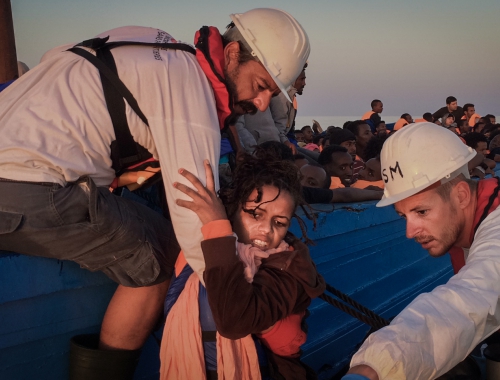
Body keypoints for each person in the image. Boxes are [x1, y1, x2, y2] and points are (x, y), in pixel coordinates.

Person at [0, 8, 310, 378]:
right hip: (27, 186)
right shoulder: (190, 93)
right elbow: (194, 221)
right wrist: (249, 306)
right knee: (160, 252)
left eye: (270, 94)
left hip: (20, 170)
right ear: (231, 54)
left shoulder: (155, 46)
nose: (260, 103)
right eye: (260, 86)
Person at [344, 122, 500, 379]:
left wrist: (373, 368)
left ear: (461, 196)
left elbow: (472, 296)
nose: (410, 231)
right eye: (404, 215)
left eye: (422, 212)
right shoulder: (473, 216)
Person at [162, 154, 325, 379]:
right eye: (255, 214)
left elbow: (234, 322)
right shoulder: (198, 245)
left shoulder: (288, 270)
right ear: (232, 210)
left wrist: (217, 228)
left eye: (279, 223)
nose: (266, 229)